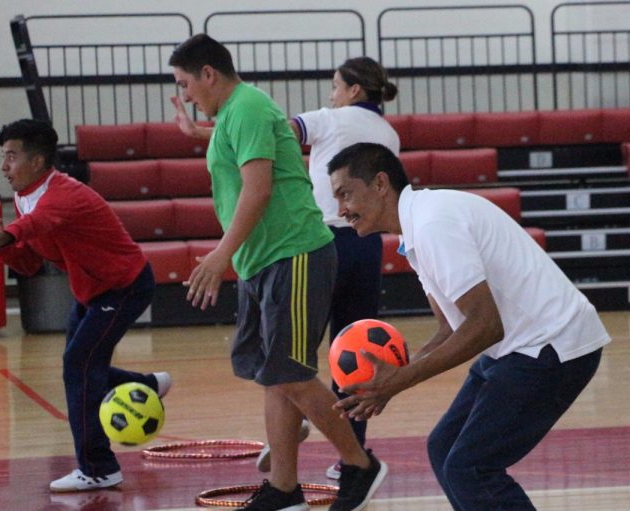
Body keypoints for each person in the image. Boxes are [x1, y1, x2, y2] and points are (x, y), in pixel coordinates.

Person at [327, 142, 611, 511]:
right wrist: (391, 379)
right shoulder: (417, 228)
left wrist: (399, 380)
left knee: (470, 467)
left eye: (345, 194)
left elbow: (484, 326)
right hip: (518, 347)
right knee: (444, 448)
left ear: (381, 183)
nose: (341, 210)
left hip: (553, 347)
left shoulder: (432, 225)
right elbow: (451, 326)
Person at [169, 34, 387, 511]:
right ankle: (284, 488)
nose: (185, 94)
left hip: (295, 253)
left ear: (209, 74)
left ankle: (360, 465)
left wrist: (221, 254)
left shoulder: (247, 107)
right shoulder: (233, 115)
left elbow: (258, 190)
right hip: (263, 259)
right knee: (275, 376)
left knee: (290, 371)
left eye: (185, 83)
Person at [0, 119, 172, 493]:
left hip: (122, 286)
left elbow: (38, 223)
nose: (3, 167)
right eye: (3, 157)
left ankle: (98, 467)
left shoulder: (63, 193)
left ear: (37, 160)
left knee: (79, 365)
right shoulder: (25, 196)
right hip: (91, 291)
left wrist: (7, 235)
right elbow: (29, 262)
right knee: (83, 363)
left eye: (11, 157)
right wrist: (1, 246)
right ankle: (146, 384)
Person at [257, 57, 401, 481]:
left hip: (319, 244)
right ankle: (351, 457)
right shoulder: (389, 134)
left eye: (336, 85)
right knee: (357, 352)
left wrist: (205, 132)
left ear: (354, 90)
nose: (331, 93)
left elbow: (269, 133)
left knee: (293, 352)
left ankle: (290, 423)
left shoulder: (327, 118)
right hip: (368, 244)